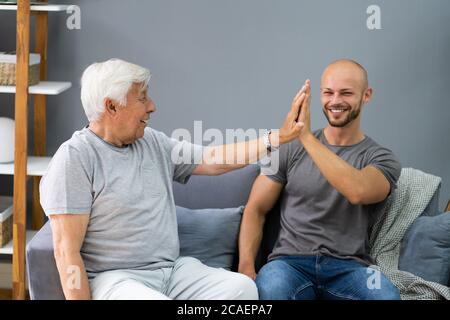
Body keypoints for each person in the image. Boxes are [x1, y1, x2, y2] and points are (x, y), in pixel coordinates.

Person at [40, 58, 308, 300]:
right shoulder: (75, 158)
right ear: (111, 106)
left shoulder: (153, 142)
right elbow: (66, 252)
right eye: (142, 98)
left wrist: (279, 137)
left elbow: (213, 158)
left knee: (242, 289)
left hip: (172, 272)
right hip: (116, 279)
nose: (152, 106)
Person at [238, 59, 402, 300]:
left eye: (346, 93)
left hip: (351, 268)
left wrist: (305, 137)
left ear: (366, 95)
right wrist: (245, 267)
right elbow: (256, 209)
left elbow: (358, 190)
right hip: (288, 265)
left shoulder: (381, 157)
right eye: (328, 92)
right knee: (271, 289)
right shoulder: (289, 149)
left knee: (386, 296)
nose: (335, 101)